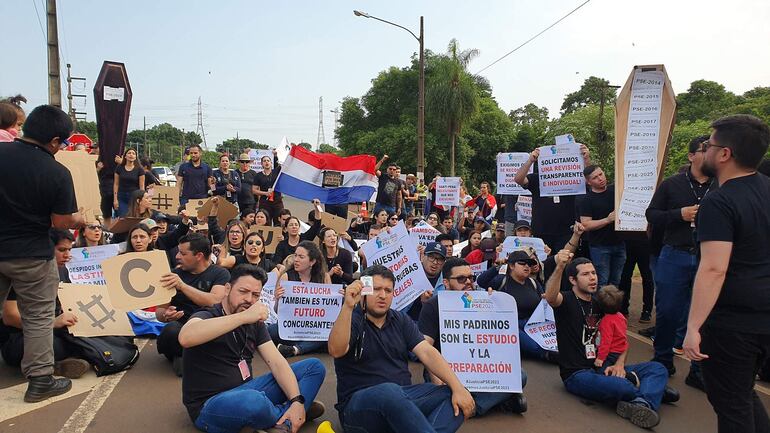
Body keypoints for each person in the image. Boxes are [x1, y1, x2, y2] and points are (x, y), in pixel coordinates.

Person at [683, 115, 770, 433]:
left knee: (731, 408)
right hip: (763, 317)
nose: (704, 150)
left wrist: (693, 327)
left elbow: (714, 268)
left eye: (708, 144)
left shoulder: (720, 202)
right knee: (741, 395)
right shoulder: (766, 188)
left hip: (732, 324)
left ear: (724, 154)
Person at [178, 264, 326, 433]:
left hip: (248, 390)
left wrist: (297, 400)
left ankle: (289, 415)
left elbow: (277, 362)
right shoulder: (209, 315)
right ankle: (283, 414)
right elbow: (185, 337)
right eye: (243, 291)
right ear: (227, 289)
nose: (249, 299)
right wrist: (242, 317)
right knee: (254, 401)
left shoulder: (253, 322)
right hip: (210, 406)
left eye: (255, 295)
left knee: (314, 367)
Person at [0, 105, 83, 402]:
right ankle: (40, 381)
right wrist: (79, 219)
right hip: (32, 254)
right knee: (37, 317)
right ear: (55, 141)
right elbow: (62, 222)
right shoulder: (57, 172)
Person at [328, 265, 475, 433]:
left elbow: (426, 352)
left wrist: (458, 387)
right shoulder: (352, 319)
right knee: (389, 391)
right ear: (364, 290)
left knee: (456, 395)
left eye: (388, 290)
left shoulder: (400, 319)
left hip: (404, 401)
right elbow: (336, 350)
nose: (382, 295)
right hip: (359, 408)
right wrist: (347, 307)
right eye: (376, 289)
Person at [545, 250, 677, 429]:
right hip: (578, 374)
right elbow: (551, 296)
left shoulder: (602, 302)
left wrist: (620, 365)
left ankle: (642, 404)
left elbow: (621, 339)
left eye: (593, 273)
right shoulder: (566, 300)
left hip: (606, 367)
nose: (592, 278)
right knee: (621, 387)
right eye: (585, 274)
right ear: (573, 280)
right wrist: (560, 266)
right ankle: (650, 392)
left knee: (658, 368)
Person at [645, 135, 715, 382]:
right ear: (691, 155)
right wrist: (679, 214)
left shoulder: (721, 185)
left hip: (709, 258)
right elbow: (651, 214)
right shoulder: (671, 185)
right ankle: (662, 361)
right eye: (704, 149)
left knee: (706, 314)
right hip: (675, 253)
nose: (710, 154)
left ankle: (697, 370)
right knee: (668, 310)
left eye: (712, 149)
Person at [419, 257, 527, 415]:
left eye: (471, 277)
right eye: (461, 279)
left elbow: (503, 343)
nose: (468, 282)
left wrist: (497, 305)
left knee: (521, 375)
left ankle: (469, 408)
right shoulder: (433, 306)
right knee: (438, 388)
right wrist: (437, 381)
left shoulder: (486, 301)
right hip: (445, 370)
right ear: (447, 283)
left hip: (481, 370)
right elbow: (425, 348)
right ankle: (497, 400)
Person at [1, 230, 91, 380]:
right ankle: (52, 367)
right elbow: (9, 316)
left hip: (51, 330)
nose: (67, 255)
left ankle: (59, 363)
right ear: (46, 248)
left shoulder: (62, 270)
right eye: (61, 250)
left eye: (69, 249)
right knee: (57, 344)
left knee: (86, 336)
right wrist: (53, 323)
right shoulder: (22, 272)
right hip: (19, 339)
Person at [155, 233, 231, 376]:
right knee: (170, 331)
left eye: (183, 253)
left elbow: (215, 301)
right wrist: (165, 315)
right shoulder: (173, 275)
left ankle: (187, 356)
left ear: (199, 256)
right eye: (178, 252)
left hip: (207, 327)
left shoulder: (220, 274)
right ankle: (191, 355)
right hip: (181, 329)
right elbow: (159, 311)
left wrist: (183, 286)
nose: (177, 256)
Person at [478, 250, 558, 363]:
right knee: (524, 339)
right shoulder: (502, 280)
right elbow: (481, 281)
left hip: (532, 324)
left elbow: (543, 304)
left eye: (529, 264)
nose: (526, 266)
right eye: (522, 263)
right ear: (511, 266)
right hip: (511, 325)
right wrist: (498, 266)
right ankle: (547, 354)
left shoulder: (533, 283)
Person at [514, 143, 591, 251]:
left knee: (564, 263)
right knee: (542, 265)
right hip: (541, 231)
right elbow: (518, 179)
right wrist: (530, 160)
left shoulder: (573, 178)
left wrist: (586, 159)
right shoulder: (537, 179)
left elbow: (590, 179)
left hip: (567, 232)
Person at [270, 241, 332, 358]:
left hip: (314, 328)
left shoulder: (324, 277)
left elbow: (329, 310)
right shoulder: (286, 276)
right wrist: (278, 299)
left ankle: (296, 349)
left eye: (301, 257)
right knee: (270, 331)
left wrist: (337, 297)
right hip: (291, 327)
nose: (296, 260)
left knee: (329, 333)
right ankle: (309, 346)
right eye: (295, 255)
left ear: (312, 261)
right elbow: (277, 311)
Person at [577, 165, 624, 287]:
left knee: (617, 281)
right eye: (595, 177)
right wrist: (607, 220)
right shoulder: (587, 200)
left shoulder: (616, 192)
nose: (600, 178)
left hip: (620, 243)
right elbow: (586, 224)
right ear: (588, 182)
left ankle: (613, 306)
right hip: (600, 246)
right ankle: (598, 306)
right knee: (601, 282)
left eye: (601, 174)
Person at [594, 285, 638, 387]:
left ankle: (628, 377)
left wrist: (600, 358)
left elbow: (606, 341)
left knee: (602, 372)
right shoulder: (620, 316)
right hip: (620, 350)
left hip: (611, 352)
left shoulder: (606, 321)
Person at [113, 148, 146, 217]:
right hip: (121, 196)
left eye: (133, 154)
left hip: (134, 197)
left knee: (133, 217)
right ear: (125, 156)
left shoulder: (140, 170)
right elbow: (116, 184)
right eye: (129, 153)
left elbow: (142, 186)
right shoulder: (119, 168)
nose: (131, 155)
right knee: (123, 217)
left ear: (136, 157)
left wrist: (142, 200)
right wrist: (115, 199)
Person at [254, 149, 283, 225]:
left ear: (271, 163)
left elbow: (284, 164)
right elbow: (254, 190)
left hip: (277, 201)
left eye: (268, 160)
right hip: (265, 202)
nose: (266, 162)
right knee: (266, 222)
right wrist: (265, 193)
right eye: (264, 161)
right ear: (261, 164)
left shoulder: (276, 171)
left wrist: (276, 155)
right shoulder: (258, 175)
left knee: (279, 222)